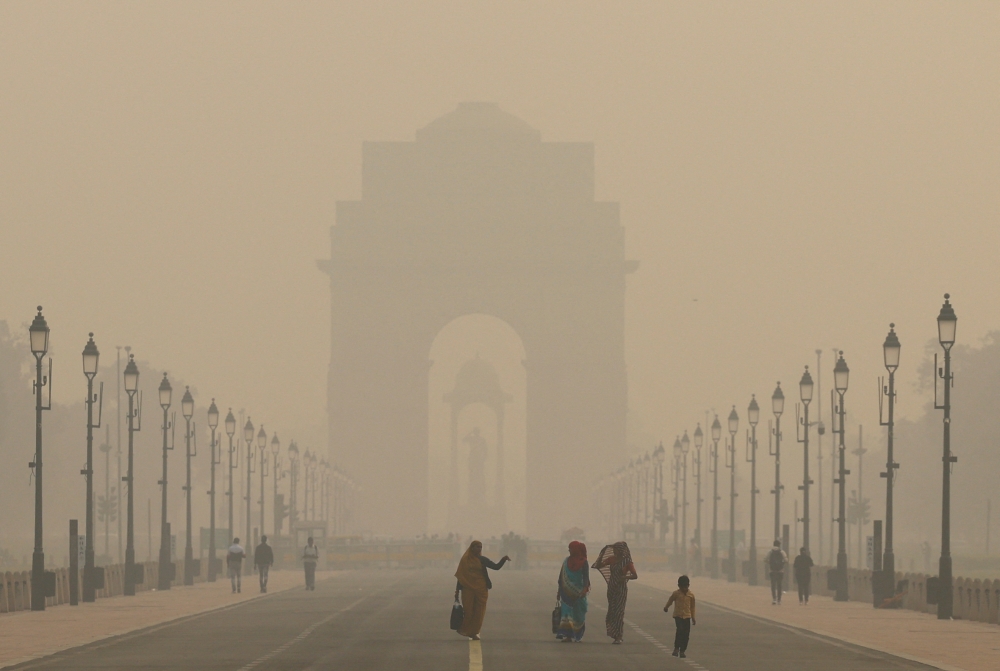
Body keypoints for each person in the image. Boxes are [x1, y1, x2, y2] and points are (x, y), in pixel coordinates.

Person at [453, 540, 510, 640]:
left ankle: (474, 632)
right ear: (472, 548)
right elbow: (461, 576)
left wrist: (503, 560)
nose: (479, 549)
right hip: (467, 589)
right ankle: (465, 629)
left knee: (479, 612)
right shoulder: (465, 560)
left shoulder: (482, 559)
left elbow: (495, 567)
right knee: (468, 611)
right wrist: (457, 591)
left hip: (481, 589)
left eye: (480, 547)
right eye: (477, 547)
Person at [592, 541, 637, 644]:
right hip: (612, 588)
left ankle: (619, 636)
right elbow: (598, 565)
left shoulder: (627, 561)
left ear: (621, 550)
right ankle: (614, 633)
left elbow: (635, 575)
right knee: (612, 611)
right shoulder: (611, 559)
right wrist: (601, 555)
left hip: (621, 589)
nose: (614, 551)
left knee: (619, 612)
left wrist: (624, 577)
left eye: (616, 549)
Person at [556, 541, 590, 642]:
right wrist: (558, 592)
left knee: (578, 614)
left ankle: (577, 634)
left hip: (579, 593)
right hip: (566, 593)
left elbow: (586, 577)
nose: (569, 551)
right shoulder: (566, 561)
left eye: (570, 549)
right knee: (566, 613)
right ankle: (568, 636)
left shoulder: (584, 562)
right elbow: (561, 577)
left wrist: (585, 589)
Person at [664, 574, 696, 658]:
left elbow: (692, 607)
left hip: (687, 616)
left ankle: (682, 650)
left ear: (688, 586)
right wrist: (666, 607)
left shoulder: (691, 595)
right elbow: (670, 600)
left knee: (686, 634)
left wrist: (693, 618)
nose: (684, 589)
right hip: (678, 615)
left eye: (686, 587)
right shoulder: (676, 594)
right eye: (682, 587)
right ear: (679, 586)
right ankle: (676, 648)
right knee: (680, 630)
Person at [767, 539, 787, 605]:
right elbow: (786, 560)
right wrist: (781, 564)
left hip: (772, 570)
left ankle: (774, 599)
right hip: (780, 571)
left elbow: (765, 559)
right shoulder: (781, 552)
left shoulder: (770, 552)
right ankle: (779, 600)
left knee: (773, 585)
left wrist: (770, 563)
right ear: (779, 545)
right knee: (779, 585)